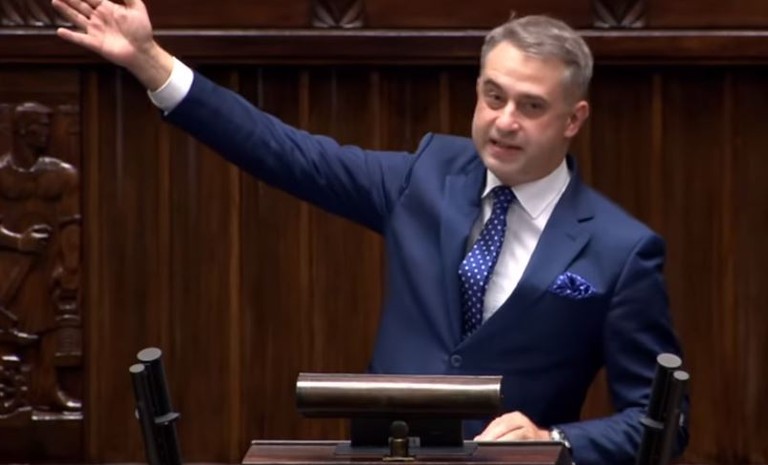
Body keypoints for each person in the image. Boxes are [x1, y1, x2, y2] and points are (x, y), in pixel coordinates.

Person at [50, 0, 689, 463]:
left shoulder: (619, 248)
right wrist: (151, 62)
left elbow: (661, 419)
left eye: (531, 106)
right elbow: (285, 152)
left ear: (574, 119)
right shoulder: (425, 177)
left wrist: (557, 441)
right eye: (493, 97)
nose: (504, 122)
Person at [0, 102, 82, 412]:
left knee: (48, 327)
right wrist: (18, 241)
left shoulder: (62, 175)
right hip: (9, 264)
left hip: (46, 264)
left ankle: (47, 389)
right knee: (9, 329)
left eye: (49, 126)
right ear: (22, 130)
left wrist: (70, 265)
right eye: (40, 126)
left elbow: (71, 223)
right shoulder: (2, 175)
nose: (46, 133)